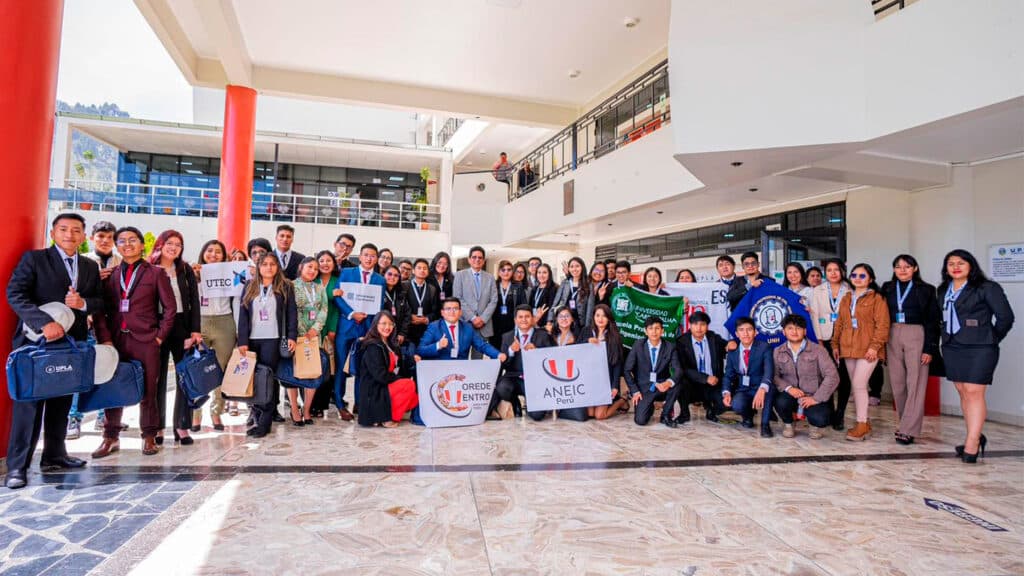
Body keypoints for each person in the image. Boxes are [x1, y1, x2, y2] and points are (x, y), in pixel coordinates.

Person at [5, 213, 99, 489]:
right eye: (64, 229)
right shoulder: (34, 260)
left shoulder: (89, 267)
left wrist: (83, 303)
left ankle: (55, 454)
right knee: (29, 407)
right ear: (53, 232)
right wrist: (44, 323)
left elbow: (100, 302)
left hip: (72, 345)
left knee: (61, 402)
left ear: (83, 236)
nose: (70, 235)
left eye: (76, 230)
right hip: (36, 345)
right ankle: (17, 466)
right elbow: (16, 294)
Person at [91, 226, 177, 459]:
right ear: (117, 246)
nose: (127, 244)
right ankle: (110, 437)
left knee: (149, 389)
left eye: (132, 240)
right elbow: (100, 310)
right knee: (112, 387)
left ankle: (148, 436)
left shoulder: (156, 273)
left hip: (147, 340)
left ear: (142, 245)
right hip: (115, 340)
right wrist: (105, 338)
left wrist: (159, 336)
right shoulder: (109, 275)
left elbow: (170, 309)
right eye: (122, 241)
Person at [938, 249, 1015, 463]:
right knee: (963, 391)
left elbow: (1005, 318)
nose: (955, 266)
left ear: (971, 265)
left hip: (980, 347)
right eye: (951, 263)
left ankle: (972, 445)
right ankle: (974, 434)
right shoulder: (943, 289)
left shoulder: (987, 287)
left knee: (974, 391)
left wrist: (990, 338)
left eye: (961, 262)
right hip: (953, 346)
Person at [69, 220, 123, 438]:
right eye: (101, 237)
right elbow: (74, 292)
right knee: (82, 371)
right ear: (91, 238)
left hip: (114, 324)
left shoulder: (121, 261)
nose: (105, 241)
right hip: (89, 323)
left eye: (110, 237)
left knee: (108, 370)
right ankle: (74, 417)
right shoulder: (83, 262)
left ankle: (104, 417)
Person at [878, 254, 941, 445]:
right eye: (898, 266)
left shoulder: (927, 289)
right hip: (892, 333)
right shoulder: (887, 288)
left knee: (916, 383)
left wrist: (929, 348)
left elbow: (932, 319)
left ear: (915, 268)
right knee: (897, 383)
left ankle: (908, 429)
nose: (902, 270)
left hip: (916, 333)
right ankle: (905, 423)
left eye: (907, 266)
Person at [150, 230, 203, 445]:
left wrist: (195, 330)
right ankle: (157, 427)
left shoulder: (185, 269)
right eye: (169, 243)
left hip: (182, 325)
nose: (173, 247)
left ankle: (182, 426)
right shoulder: (149, 268)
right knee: (157, 378)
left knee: (185, 378)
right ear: (160, 245)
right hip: (158, 327)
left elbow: (194, 301)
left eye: (178, 244)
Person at [237, 253, 297, 438]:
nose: (269, 267)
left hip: (274, 339)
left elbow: (292, 313)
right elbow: (243, 315)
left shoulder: (285, 286)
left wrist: (292, 336)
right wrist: (243, 341)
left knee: (268, 380)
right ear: (258, 266)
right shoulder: (249, 286)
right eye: (265, 264)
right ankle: (256, 417)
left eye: (272, 264)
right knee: (253, 380)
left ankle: (265, 422)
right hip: (253, 340)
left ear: (277, 267)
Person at [832, 263, 890, 442]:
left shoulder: (877, 298)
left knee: (858, 384)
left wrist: (875, 347)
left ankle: (862, 424)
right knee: (858, 387)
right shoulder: (847, 298)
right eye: (854, 275)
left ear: (870, 279)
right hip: (848, 348)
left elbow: (883, 325)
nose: (857, 278)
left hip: (868, 349)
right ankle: (863, 422)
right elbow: (840, 323)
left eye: (862, 276)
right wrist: (835, 344)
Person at [333, 243, 384, 420]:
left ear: (376, 259)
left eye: (373, 256)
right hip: (346, 327)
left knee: (362, 368)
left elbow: (379, 306)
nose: (369, 258)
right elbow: (337, 298)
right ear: (360, 257)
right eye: (366, 255)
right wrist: (352, 313)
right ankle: (340, 404)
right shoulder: (347, 273)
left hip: (367, 328)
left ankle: (359, 403)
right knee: (341, 366)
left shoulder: (380, 279)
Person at [773, 314, 839, 439]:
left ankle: (814, 425)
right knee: (780, 401)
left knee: (821, 418)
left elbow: (833, 376)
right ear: (784, 332)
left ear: (805, 331)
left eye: (798, 328)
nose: (794, 332)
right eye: (790, 328)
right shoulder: (778, 351)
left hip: (813, 395)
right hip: (791, 395)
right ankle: (789, 423)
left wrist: (816, 398)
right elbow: (774, 376)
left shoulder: (818, 350)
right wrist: (788, 388)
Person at [809, 258, 853, 431]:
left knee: (844, 377)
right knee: (827, 376)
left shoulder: (850, 290)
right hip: (824, 338)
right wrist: (819, 339)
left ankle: (840, 414)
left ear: (842, 271)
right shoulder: (818, 290)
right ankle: (828, 410)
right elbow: (814, 314)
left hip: (846, 339)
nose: (833, 273)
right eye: (829, 270)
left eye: (836, 270)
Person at [194, 239, 233, 432]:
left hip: (225, 322)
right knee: (198, 368)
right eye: (210, 250)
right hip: (200, 321)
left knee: (220, 369)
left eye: (218, 252)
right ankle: (195, 413)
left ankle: (217, 410)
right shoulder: (193, 273)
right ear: (203, 253)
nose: (213, 255)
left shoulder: (230, 274)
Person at [490, 305, 554, 419]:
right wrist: (510, 351)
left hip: (535, 379)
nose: (524, 320)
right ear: (515, 320)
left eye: (527, 316)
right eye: (520, 317)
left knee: (537, 416)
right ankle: (515, 402)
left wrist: (537, 352)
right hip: (513, 377)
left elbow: (551, 360)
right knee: (502, 387)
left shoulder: (543, 335)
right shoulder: (507, 337)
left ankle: (532, 405)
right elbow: (504, 364)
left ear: (533, 319)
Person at [357, 311, 419, 427]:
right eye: (383, 323)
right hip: (375, 388)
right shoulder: (373, 346)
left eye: (391, 324)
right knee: (408, 385)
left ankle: (385, 413)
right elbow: (380, 375)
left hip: (386, 384)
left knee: (414, 398)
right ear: (376, 325)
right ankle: (387, 418)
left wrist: (411, 360)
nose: (387, 327)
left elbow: (398, 366)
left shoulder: (391, 344)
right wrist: (399, 379)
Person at [288, 257, 328, 426]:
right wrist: (297, 331)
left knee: (312, 372)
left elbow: (323, 310)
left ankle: (307, 409)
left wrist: (315, 329)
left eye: (316, 269)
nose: (313, 270)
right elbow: (288, 309)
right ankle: (294, 409)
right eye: (310, 267)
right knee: (293, 373)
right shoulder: (290, 285)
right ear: (301, 267)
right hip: (295, 336)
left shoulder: (320, 288)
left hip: (313, 337)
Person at [624, 316, 683, 428]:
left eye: (657, 328)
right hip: (644, 389)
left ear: (662, 331)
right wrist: (635, 391)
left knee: (678, 383)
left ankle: (665, 415)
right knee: (640, 421)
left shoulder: (670, 347)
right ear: (645, 331)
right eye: (650, 328)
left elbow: (678, 370)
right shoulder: (638, 345)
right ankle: (649, 406)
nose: (654, 332)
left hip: (662, 386)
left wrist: (668, 383)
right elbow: (627, 370)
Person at [723, 317, 775, 437]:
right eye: (741, 330)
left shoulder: (764, 347)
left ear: (755, 332)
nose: (745, 333)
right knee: (736, 404)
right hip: (744, 388)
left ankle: (765, 425)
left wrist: (762, 388)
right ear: (736, 333)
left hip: (761, 385)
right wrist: (726, 392)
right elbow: (728, 375)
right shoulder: (732, 351)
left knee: (769, 390)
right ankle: (748, 417)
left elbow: (769, 371)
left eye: (749, 330)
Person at [676, 311, 729, 425]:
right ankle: (684, 414)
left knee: (727, 403)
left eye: (702, 324)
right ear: (690, 325)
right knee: (680, 382)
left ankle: (712, 410)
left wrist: (732, 343)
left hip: (713, 384)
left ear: (707, 326)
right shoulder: (682, 342)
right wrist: (705, 378)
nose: (699, 328)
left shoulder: (713, 338)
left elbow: (728, 345)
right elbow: (684, 368)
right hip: (692, 384)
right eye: (695, 324)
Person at [417, 298, 506, 363]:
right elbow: (420, 350)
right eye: (448, 309)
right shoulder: (434, 327)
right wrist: (438, 345)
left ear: (460, 312)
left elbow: (482, 346)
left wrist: (498, 355)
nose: (452, 312)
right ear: (442, 313)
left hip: (461, 370)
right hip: (440, 369)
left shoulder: (468, 327)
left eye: (455, 309)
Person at [584, 304, 629, 420]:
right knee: (590, 414)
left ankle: (621, 400)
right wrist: (587, 341)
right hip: (589, 380)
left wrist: (615, 386)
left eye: (604, 316)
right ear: (593, 317)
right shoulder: (586, 331)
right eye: (597, 315)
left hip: (605, 381)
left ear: (609, 318)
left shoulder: (614, 336)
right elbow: (576, 350)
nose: (600, 319)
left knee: (600, 416)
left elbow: (617, 364)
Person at [311, 250, 341, 417]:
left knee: (328, 370)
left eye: (328, 260)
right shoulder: (311, 280)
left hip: (329, 330)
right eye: (321, 260)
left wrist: (333, 329)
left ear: (334, 264)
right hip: (312, 330)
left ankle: (321, 405)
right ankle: (310, 405)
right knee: (312, 368)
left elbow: (337, 308)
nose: (324, 263)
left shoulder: (338, 281)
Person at [453, 245, 498, 355]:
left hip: (484, 325)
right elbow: (458, 298)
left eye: (480, 257)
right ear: (469, 259)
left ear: (483, 260)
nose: (477, 259)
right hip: (465, 323)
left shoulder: (490, 277)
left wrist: (482, 319)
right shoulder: (459, 275)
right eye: (474, 257)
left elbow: (493, 300)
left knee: (478, 360)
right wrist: (473, 318)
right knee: (461, 357)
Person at [490, 260, 528, 351]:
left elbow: (523, 305)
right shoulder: (493, 285)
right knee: (496, 352)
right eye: (503, 270)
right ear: (499, 272)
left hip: (512, 325)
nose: (506, 272)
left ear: (512, 271)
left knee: (510, 351)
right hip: (495, 324)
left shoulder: (518, 286)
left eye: (509, 270)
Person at [403, 258, 440, 347]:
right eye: (419, 268)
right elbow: (400, 307)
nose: (422, 270)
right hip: (408, 330)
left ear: (428, 272)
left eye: (425, 268)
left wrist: (426, 319)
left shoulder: (432, 289)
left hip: (425, 330)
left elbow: (436, 311)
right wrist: (410, 316)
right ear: (413, 270)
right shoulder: (404, 286)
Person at [550, 256, 592, 327]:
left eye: (577, 266)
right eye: (571, 266)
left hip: (580, 322)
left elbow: (590, 307)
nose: (574, 269)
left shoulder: (588, 284)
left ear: (582, 267)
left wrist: (587, 327)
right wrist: (550, 320)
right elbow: (555, 302)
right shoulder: (565, 282)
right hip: (564, 320)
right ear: (568, 269)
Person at [382, 264, 410, 345]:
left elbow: (407, 315)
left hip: (397, 335)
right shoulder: (378, 291)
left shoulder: (401, 293)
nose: (392, 277)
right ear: (383, 274)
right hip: (381, 333)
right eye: (389, 274)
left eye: (396, 275)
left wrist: (402, 333)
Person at [528, 263, 558, 330]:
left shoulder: (553, 288)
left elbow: (552, 307)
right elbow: (530, 306)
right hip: (533, 322)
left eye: (544, 272)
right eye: (539, 272)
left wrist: (549, 322)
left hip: (546, 324)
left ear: (549, 274)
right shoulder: (534, 289)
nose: (541, 275)